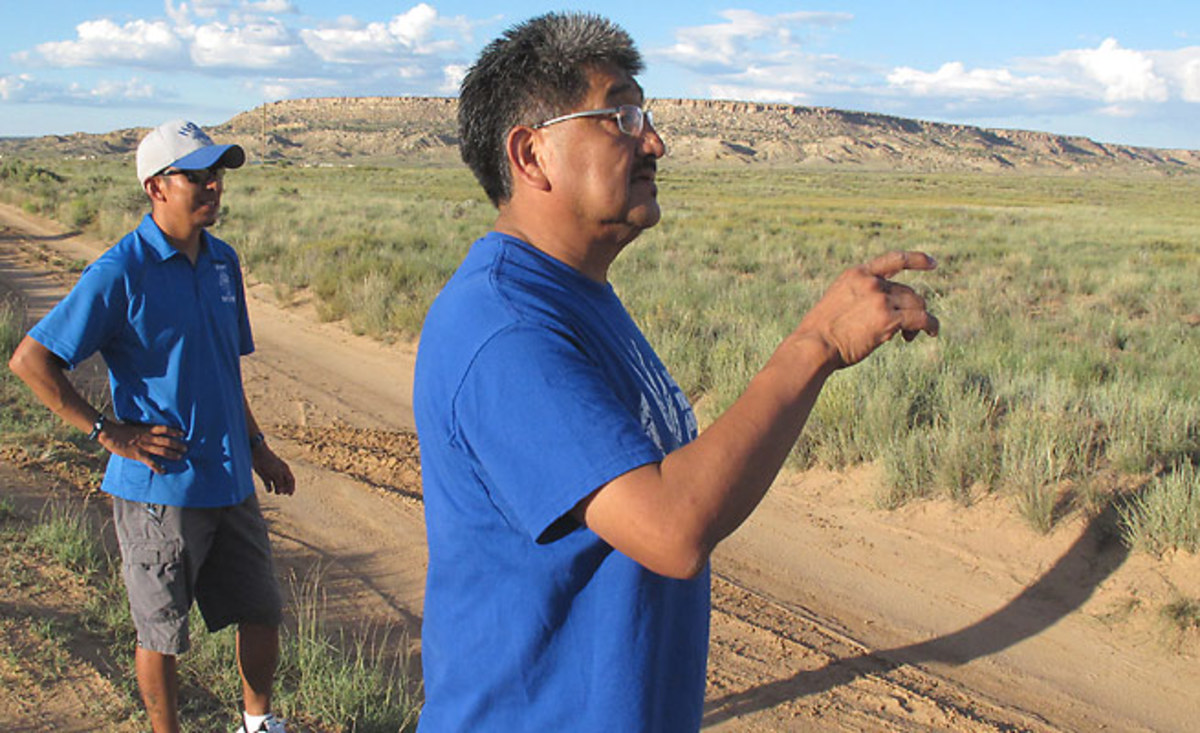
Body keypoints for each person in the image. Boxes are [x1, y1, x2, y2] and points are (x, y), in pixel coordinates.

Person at [412, 12, 939, 731]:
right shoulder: (503, 328)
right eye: (620, 116)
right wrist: (815, 344)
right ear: (531, 154)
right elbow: (671, 527)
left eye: (646, 116)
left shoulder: (574, 296)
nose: (654, 141)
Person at [8, 119, 294, 733]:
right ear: (155, 187)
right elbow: (32, 360)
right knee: (163, 632)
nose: (213, 186)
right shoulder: (121, 271)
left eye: (217, 174)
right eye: (198, 176)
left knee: (261, 608)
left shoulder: (223, 262)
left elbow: (223, 372)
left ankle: (258, 723)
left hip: (229, 479)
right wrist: (107, 431)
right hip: (160, 489)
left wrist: (259, 447)